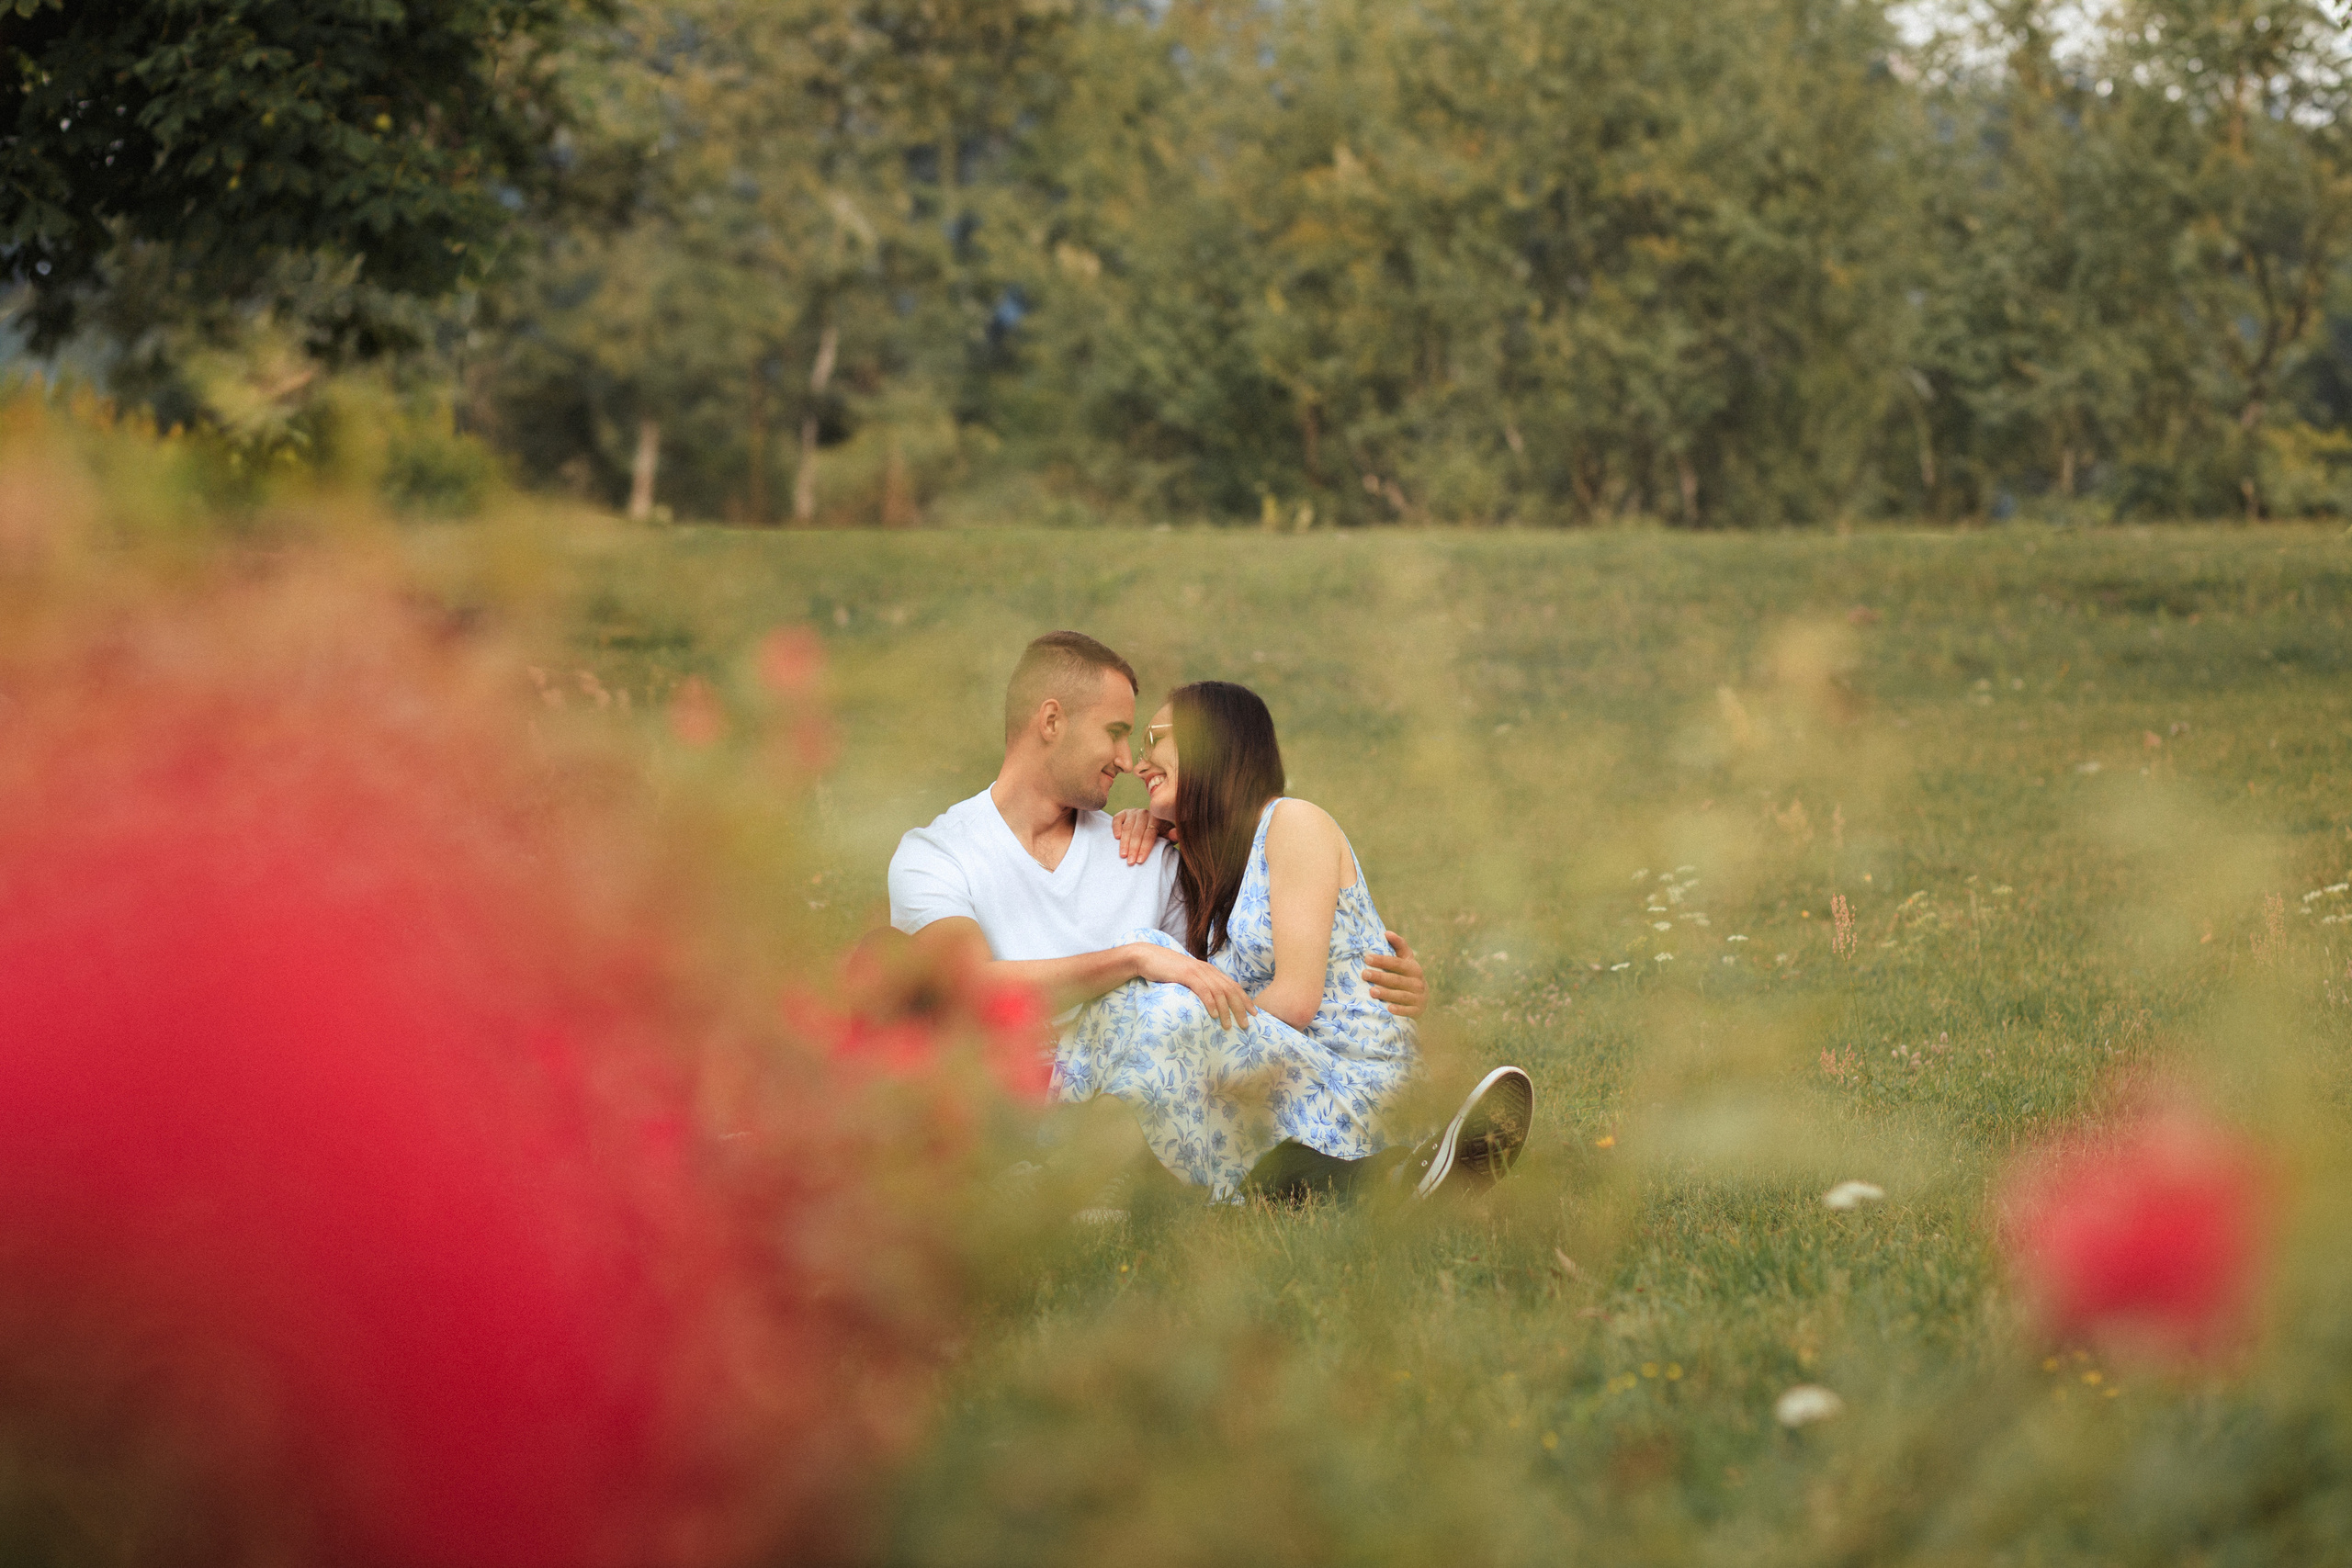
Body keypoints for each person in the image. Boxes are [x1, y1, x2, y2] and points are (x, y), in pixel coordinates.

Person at [1056, 680, 1532, 1201]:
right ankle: (1377, 1184)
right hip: (1285, 1081)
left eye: (1152, 739)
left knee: (1161, 1000)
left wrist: (1185, 1029)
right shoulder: (1207, 866)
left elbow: (1297, 1000)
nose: (1138, 764)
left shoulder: (1293, 823)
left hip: (1354, 1080)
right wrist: (1148, 823)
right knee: (1145, 976)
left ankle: (1058, 1155)